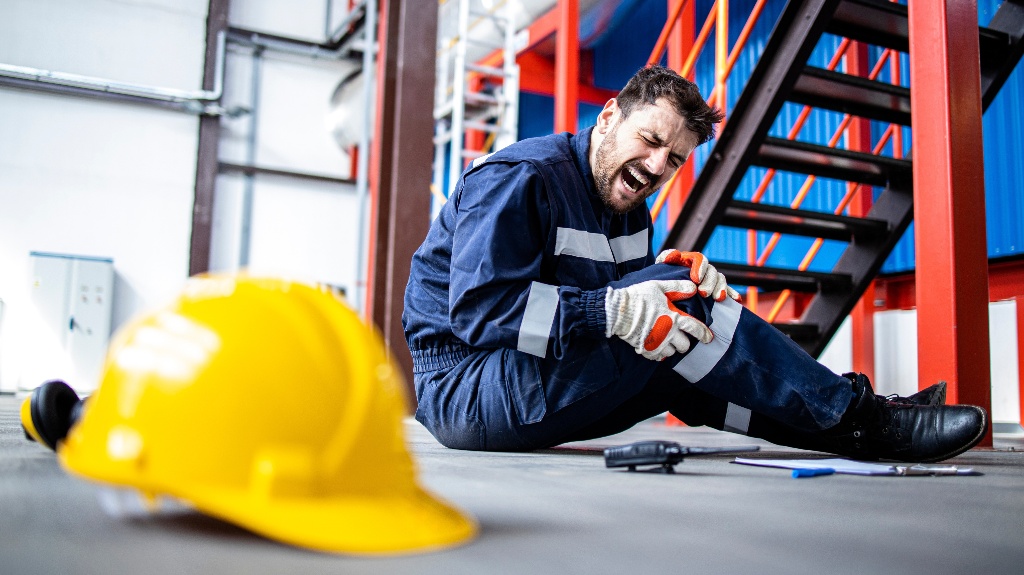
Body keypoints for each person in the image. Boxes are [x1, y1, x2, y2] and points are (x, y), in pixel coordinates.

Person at [402, 65, 986, 462]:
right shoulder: (523, 178)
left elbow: (634, 322)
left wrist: (652, 299)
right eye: (651, 140)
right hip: (466, 386)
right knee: (684, 305)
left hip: (524, 380)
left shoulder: (628, 208)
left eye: (675, 159)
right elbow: (482, 313)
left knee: (680, 342)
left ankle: (855, 431)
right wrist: (621, 309)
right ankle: (863, 420)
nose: (658, 166)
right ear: (608, 116)